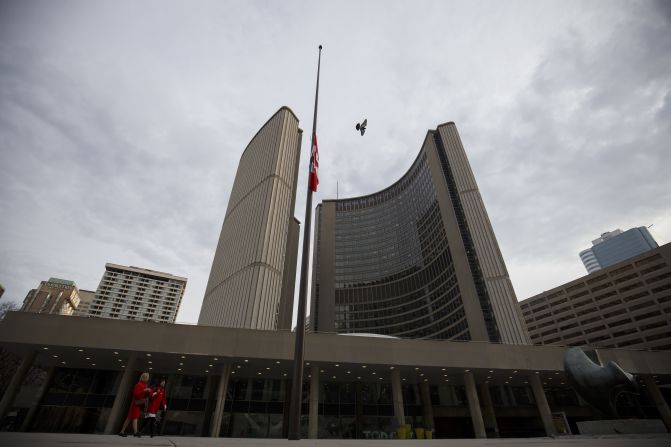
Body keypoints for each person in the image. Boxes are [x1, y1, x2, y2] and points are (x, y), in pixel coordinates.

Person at [118, 372, 151, 437]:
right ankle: (135, 432)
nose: (147, 379)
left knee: (130, 418)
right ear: (143, 378)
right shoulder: (138, 384)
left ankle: (122, 431)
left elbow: (145, 395)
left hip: (139, 403)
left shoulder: (145, 385)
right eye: (146, 377)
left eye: (148, 378)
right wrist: (144, 390)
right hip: (135, 403)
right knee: (134, 417)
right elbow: (135, 394)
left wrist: (148, 391)